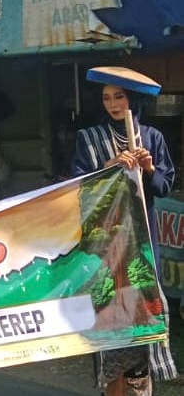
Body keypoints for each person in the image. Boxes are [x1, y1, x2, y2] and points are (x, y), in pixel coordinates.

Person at [71, 73, 177, 396]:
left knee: (143, 315)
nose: (113, 104)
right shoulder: (90, 139)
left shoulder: (152, 137)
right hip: (107, 245)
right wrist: (109, 165)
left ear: (134, 98)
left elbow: (164, 185)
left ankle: (142, 387)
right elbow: (79, 187)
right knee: (111, 322)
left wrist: (149, 169)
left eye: (119, 96)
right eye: (107, 98)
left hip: (143, 243)